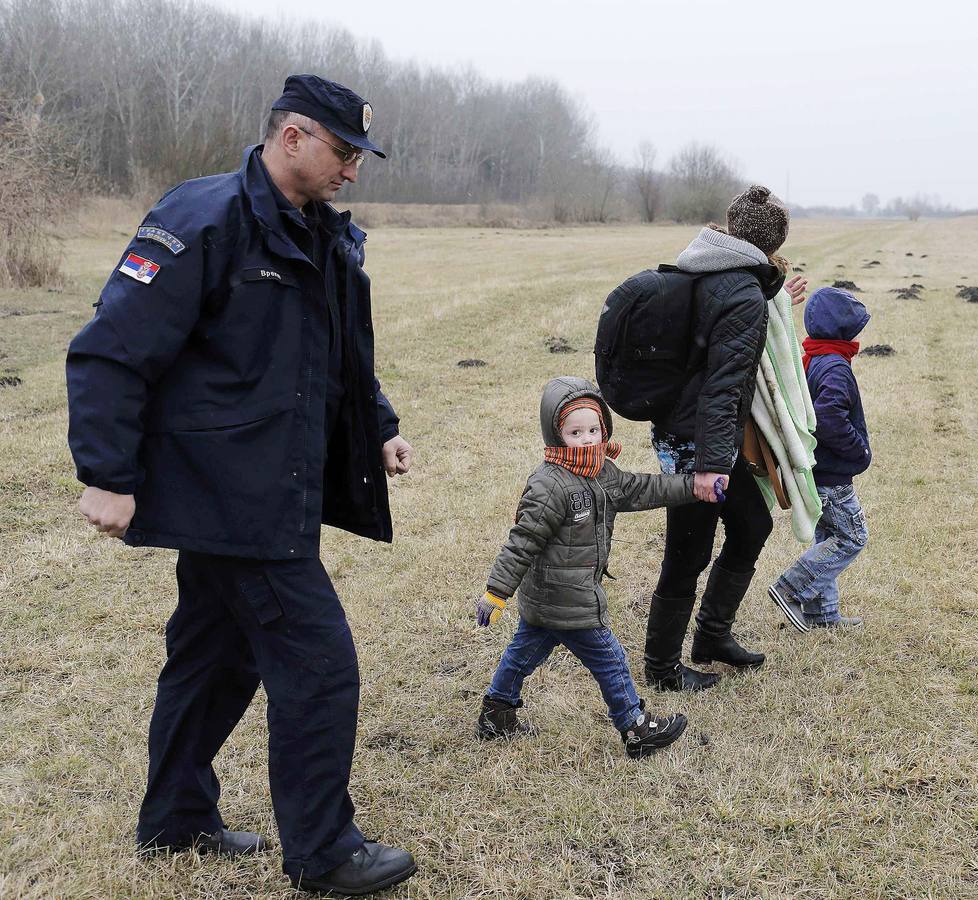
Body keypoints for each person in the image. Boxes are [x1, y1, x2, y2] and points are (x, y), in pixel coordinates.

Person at [66, 75, 417, 896]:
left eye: (360, 156)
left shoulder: (317, 233)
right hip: (233, 492)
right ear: (291, 136)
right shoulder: (203, 219)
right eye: (343, 151)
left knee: (214, 657)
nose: (353, 171)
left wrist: (381, 421)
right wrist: (107, 476)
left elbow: (334, 353)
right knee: (318, 665)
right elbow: (109, 349)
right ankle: (325, 854)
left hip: (269, 480)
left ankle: (175, 818)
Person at [475, 377, 701, 757]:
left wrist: (693, 486)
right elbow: (522, 541)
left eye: (594, 429)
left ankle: (497, 712)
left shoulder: (601, 471)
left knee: (524, 652)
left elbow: (643, 489)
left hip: (550, 600)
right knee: (610, 658)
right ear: (556, 434)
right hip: (569, 598)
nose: (587, 439)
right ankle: (635, 727)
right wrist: (496, 592)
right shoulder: (550, 485)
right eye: (575, 431)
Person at [644, 185, 803, 692]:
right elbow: (723, 383)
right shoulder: (740, 293)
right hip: (697, 441)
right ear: (773, 239)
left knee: (752, 523)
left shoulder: (712, 264)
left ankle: (712, 635)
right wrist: (711, 465)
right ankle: (662, 667)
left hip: (708, 435)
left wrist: (774, 295)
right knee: (687, 551)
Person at [768, 287, 871, 630]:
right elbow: (828, 419)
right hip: (832, 475)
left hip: (816, 470)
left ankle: (822, 615)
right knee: (851, 537)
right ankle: (791, 587)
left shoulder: (815, 356)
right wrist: (859, 450)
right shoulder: (834, 366)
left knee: (827, 538)